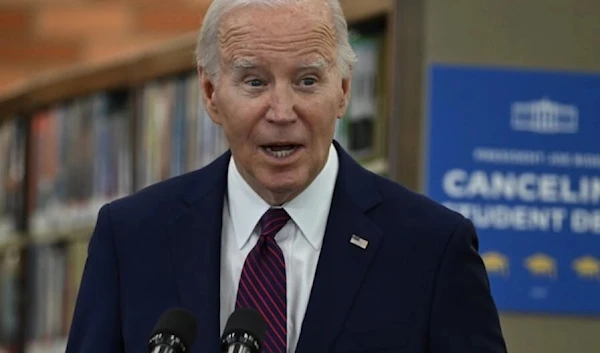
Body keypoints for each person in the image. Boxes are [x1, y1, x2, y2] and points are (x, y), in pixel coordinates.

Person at [65, 0, 507, 352]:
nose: (281, 112)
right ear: (210, 93)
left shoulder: (432, 247)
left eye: (308, 81)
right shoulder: (130, 238)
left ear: (344, 90)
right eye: (254, 82)